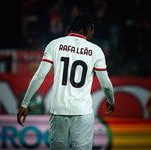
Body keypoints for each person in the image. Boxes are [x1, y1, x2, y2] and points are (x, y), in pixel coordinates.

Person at [17, 14, 115, 150]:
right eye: (92, 31)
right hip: (82, 112)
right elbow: (106, 84)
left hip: (58, 111)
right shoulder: (96, 51)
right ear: (88, 28)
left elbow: (39, 76)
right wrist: (111, 100)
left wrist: (25, 103)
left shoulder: (54, 45)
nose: (92, 34)